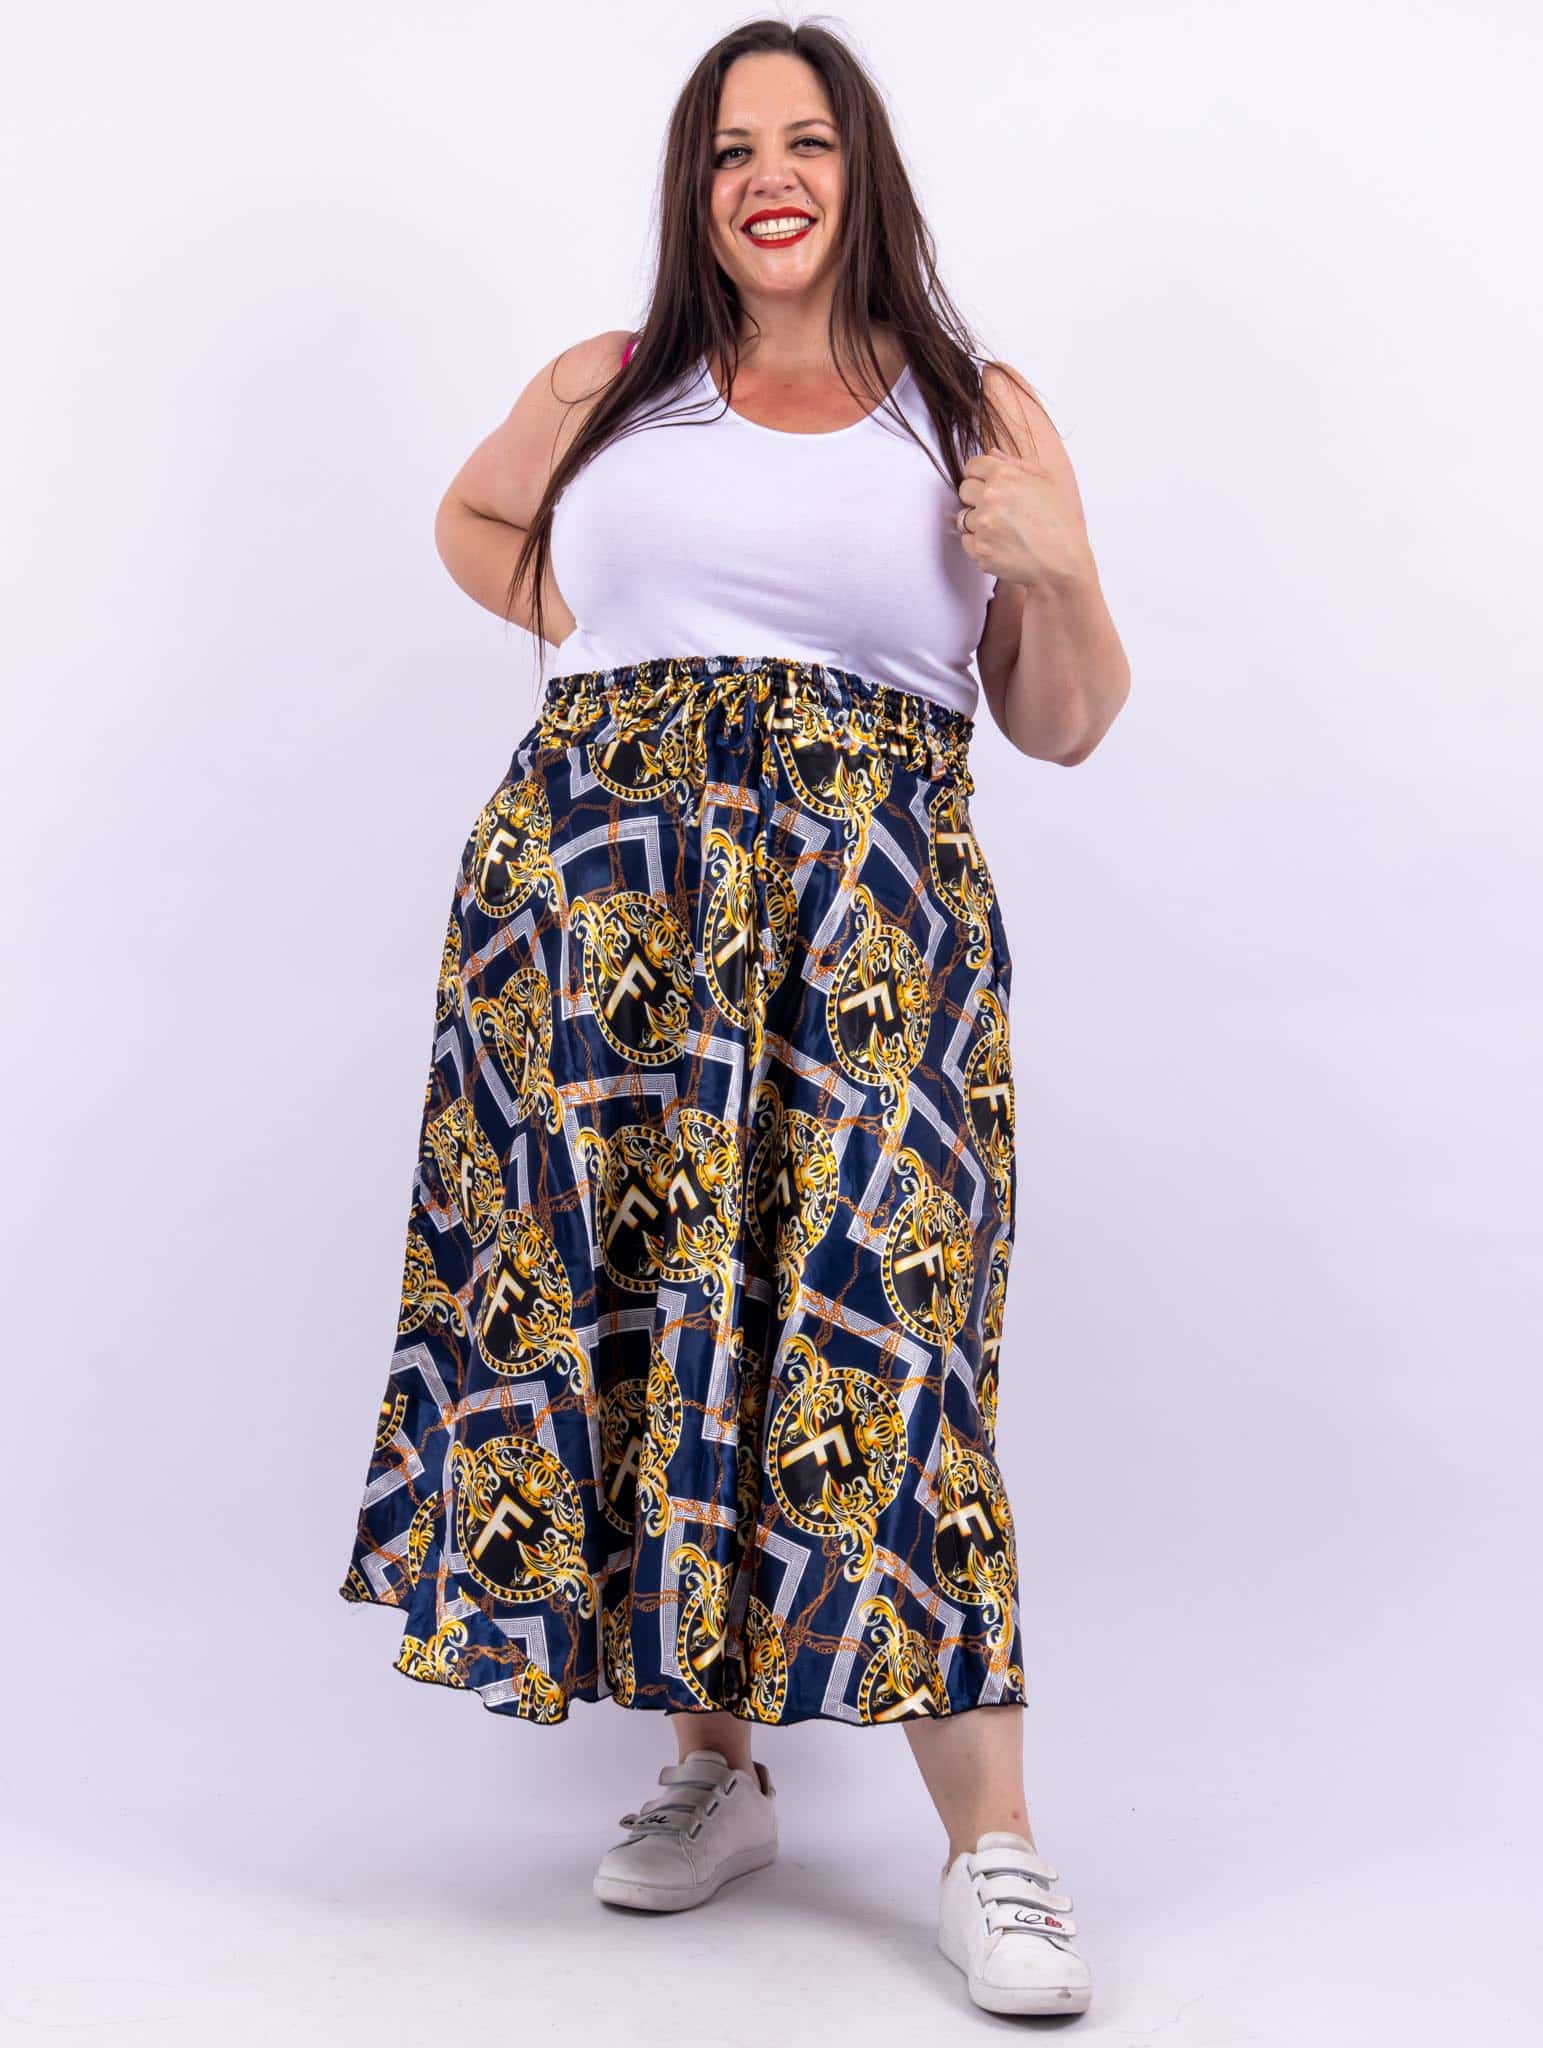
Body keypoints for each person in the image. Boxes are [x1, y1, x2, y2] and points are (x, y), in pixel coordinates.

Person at [337, 16, 1129, 2021]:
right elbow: (471, 526)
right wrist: (617, 647)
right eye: (727, 150)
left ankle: (995, 1847)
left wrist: (1060, 574)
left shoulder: (971, 407)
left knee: (891, 1341)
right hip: (597, 920)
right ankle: (721, 1770)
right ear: (695, 193)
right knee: (667, 1327)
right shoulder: (609, 386)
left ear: (863, 172)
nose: (767, 176)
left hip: (869, 935)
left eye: (805, 141)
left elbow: (1062, 720)